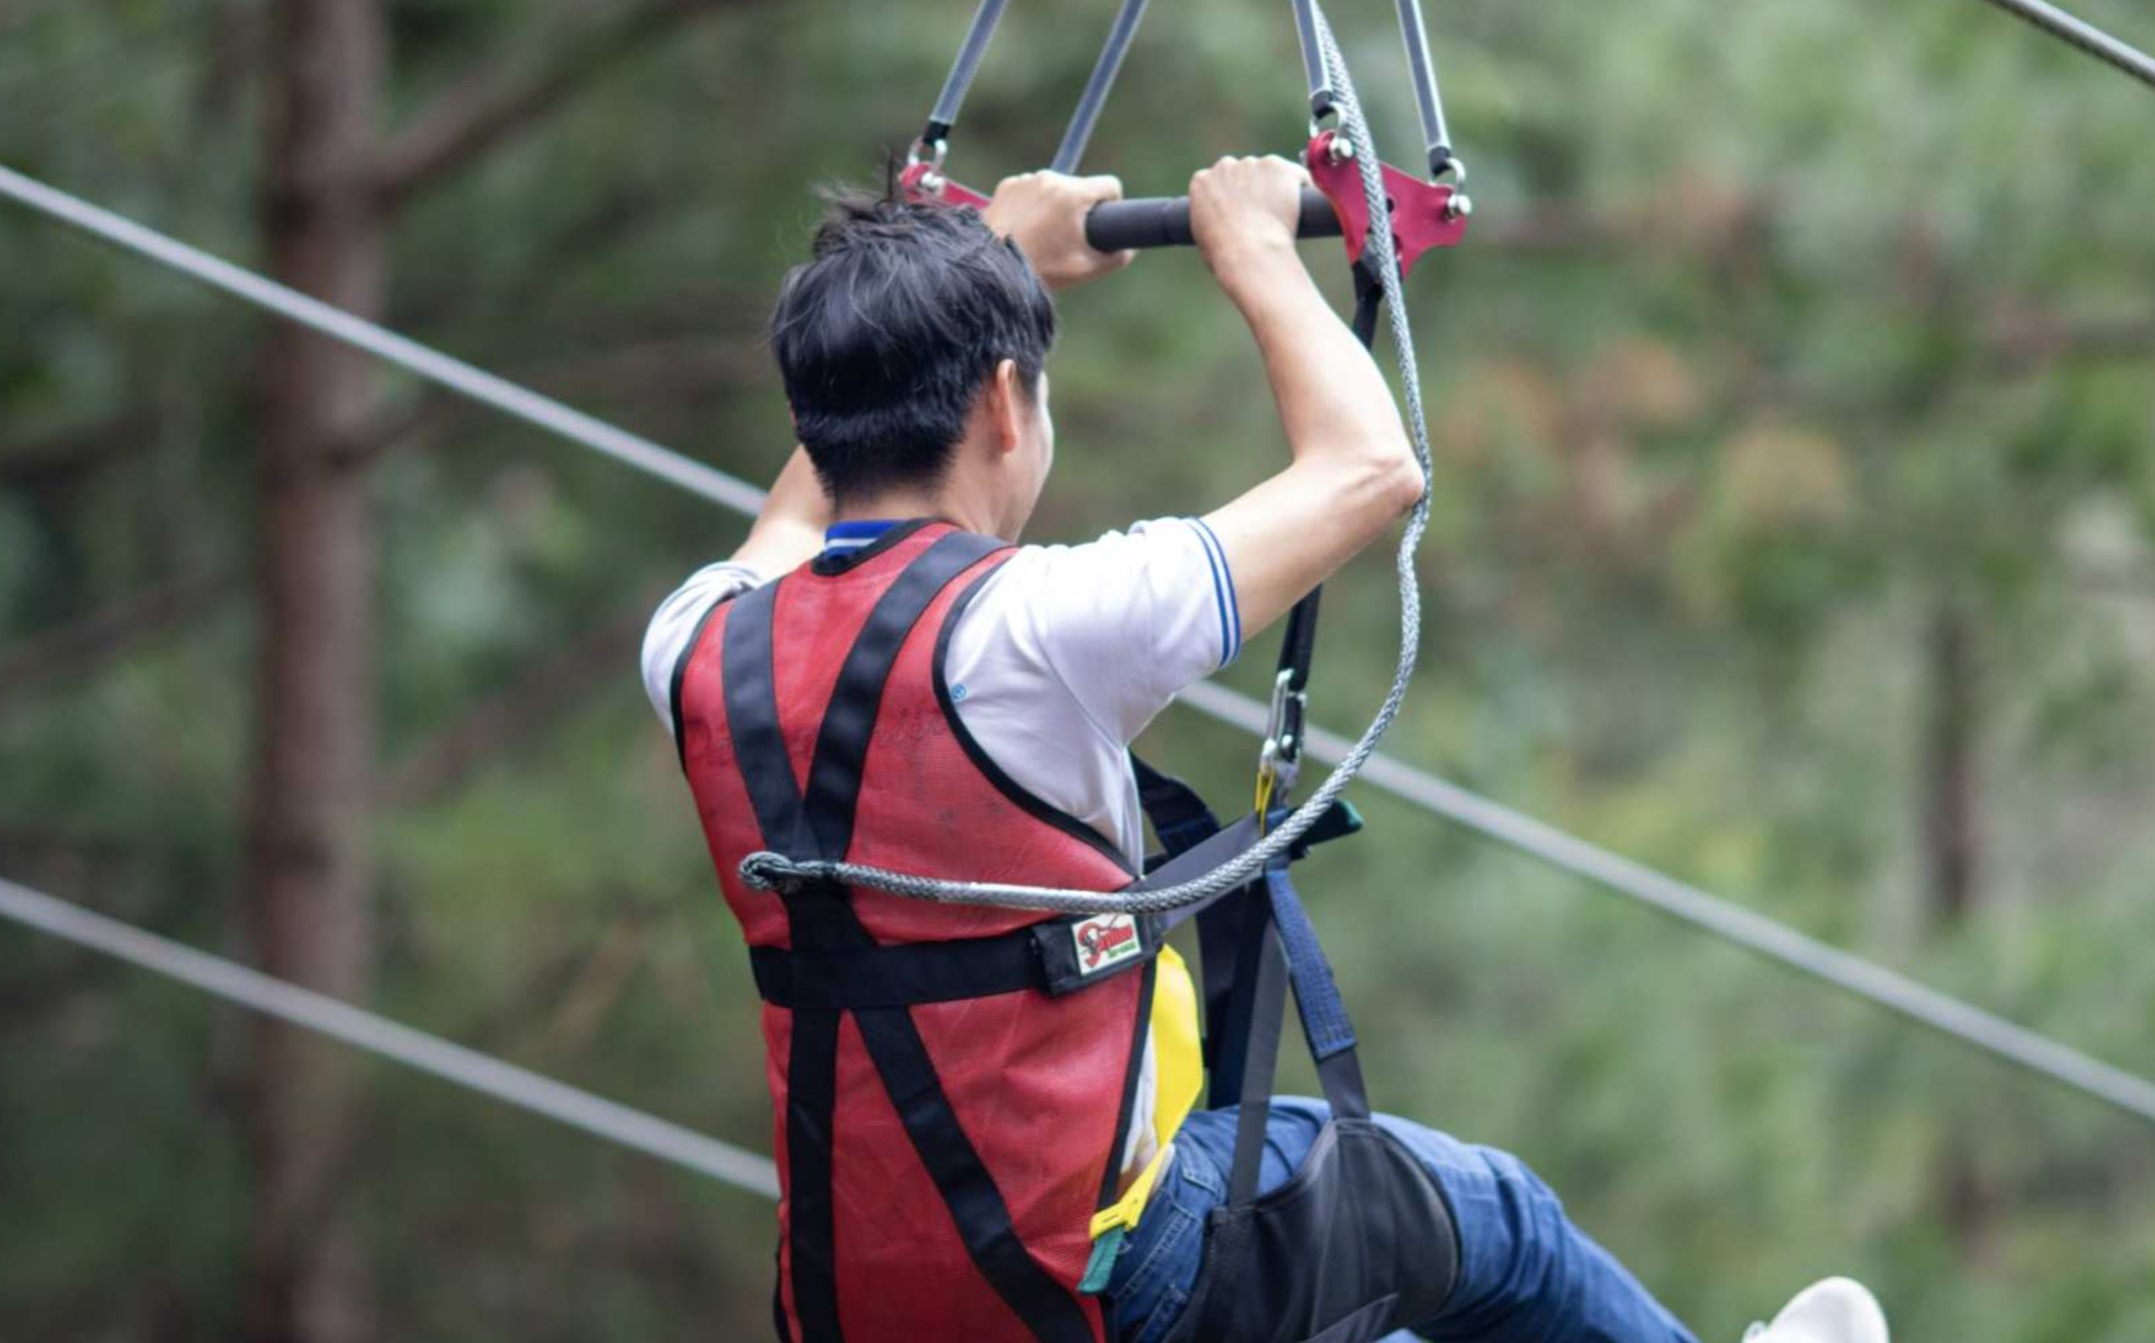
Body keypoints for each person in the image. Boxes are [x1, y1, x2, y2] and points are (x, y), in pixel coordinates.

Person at [642, 159, 1891, 1343]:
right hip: (1118, 1277)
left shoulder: (701, 647)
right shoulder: (1036, 628)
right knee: (1499, 1225)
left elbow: (807, 498)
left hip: (866, 1300)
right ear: (1003, 406)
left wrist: (983, 264)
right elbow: (1370, 467)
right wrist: (1250, 250)